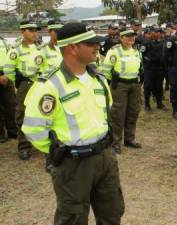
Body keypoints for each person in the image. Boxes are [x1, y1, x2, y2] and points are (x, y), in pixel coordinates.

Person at [21, 22, 124, 225]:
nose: (97, 47)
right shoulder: (49, 85)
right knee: (73, 218)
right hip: (73, 164)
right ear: (72, 48)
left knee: (112, 213)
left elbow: (106, 112)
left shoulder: (99, 79)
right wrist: (60, 153)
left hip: (105, 157)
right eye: (90, 43)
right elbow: (33, 129)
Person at [3, 20, 43, 160]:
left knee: (43, 112)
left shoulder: (40, 48)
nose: (34, 33)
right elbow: (8, 69)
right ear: (22, 32)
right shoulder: (16, 50)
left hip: (40, 84)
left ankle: (41, 143)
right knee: (23, 114)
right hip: (25, 85)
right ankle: (24, 146)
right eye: (30, 30)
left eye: (35, 30)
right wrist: (20, 81)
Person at [102, 28, 143, 153]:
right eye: (128, 36)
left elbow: (140, 68)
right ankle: (115, 142)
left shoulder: (136, 51)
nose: (131, 38)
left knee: (133, 112)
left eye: (133, 36)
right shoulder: (114, 51)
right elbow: (106, 70)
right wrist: (111, 84)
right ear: (121, 38)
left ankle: (129, 139)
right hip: (120, 86)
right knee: (118, 114)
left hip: (134, 86)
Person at [141, 25, 167, 111]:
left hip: (159, 68)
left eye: (159, 32)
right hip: (149, 68)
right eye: (155, 32)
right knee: (148, 86)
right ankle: (147, 104)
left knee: (159, 86)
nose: (158, 33)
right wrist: (149, 61)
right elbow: (142, 55)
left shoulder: (163, 42)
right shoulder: (146, 43)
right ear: (151, 32)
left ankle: (159, 103)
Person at [0, 37, 17, 143]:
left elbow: (11, 59)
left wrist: (7, 75)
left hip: (7, 78)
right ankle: (1, 134)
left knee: (11, 105)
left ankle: (12, 131)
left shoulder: (4, 41)